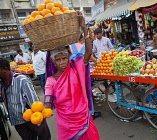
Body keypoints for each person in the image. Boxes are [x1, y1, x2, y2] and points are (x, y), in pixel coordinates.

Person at [44, 12, 100, 140]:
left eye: (64, 58)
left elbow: (89, 52)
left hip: (83, 117)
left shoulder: (76, 68)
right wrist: (44, 109)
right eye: (58, 60)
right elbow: (48, 98)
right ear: (53, 62)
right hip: (66, 124)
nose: (62, 62)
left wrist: (84, 28)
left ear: (68, 58)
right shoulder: (50, 81)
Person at [0, 58, 51, 140]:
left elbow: (34, 101)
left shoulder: (21, 80)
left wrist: (39, 120)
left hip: (33, 118)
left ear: (4, 70)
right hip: (18, 122)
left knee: (44, 137)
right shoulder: (1, 84)